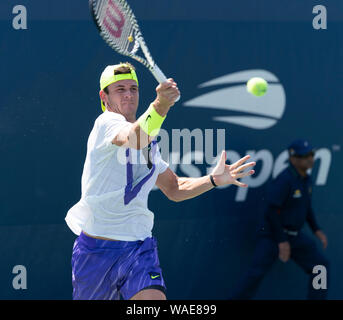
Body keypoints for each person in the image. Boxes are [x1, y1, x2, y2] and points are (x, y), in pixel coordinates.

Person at [65, 62, 256, 300]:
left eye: (133, 88)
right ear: (104, 96)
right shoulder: (106, 123)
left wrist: (213, 179)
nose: (128, 94)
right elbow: (134, 137)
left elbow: (174, 188)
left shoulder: (149, 143)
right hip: (95, 252)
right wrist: (161, 105)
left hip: (138, 248)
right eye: (120, 89)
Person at [230, 139, 329, 300]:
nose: (310, 159)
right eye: (305, 156)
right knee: (254, 275)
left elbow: (306, 207)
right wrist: (282, 241)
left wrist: (316, 229)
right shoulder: (284, 180)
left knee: (321, 267)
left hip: (295, 237)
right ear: (293, 159)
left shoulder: (306, 180)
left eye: (311, 154)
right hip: (273, 237)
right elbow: (270, 211)